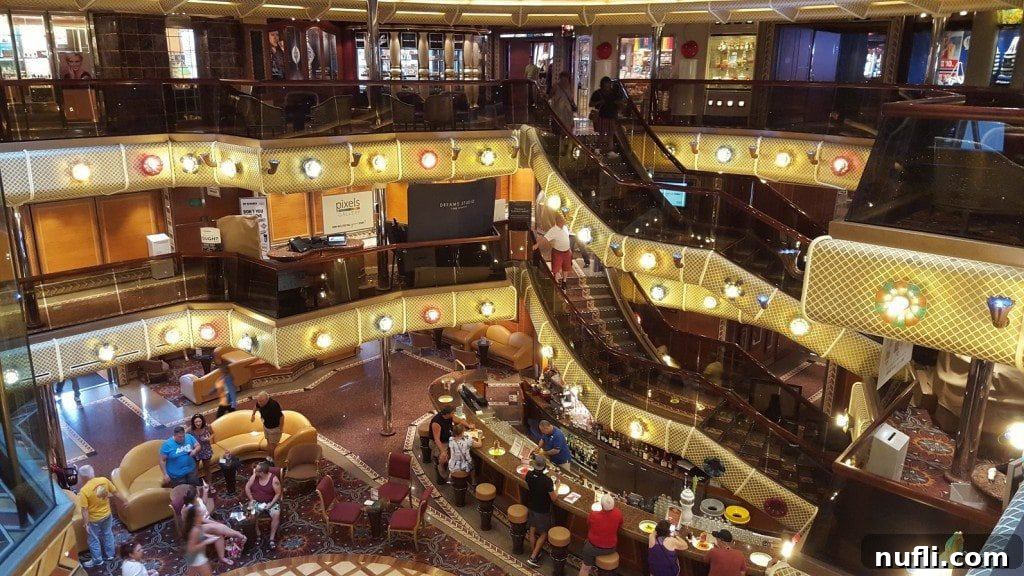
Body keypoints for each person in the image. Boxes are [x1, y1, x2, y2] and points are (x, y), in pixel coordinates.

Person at [181, 485, 245, 563]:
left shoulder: (196, 500)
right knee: (217, 528)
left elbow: (203, 504)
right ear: (196, 495)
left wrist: (205, 492)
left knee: (219, 534)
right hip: (195, 529)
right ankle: (240, 536)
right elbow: (201, 520)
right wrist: (215, 523)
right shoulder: (189, 509)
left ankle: (222, 557)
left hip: (204, 522)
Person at [78, 465, 124, 568]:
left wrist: (86, 524)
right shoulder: (103, 480)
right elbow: (115, 492)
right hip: (107, 514)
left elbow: (84, 509)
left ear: (82, 478)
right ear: (93, 473)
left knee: (93, 539)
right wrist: (125, 500)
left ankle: (98, 560)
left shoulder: (84, 491)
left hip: (94, 519)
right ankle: (110, 555)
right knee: (108, 533)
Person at [525, 455, 557, 568]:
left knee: (532, 530)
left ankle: (534, 552)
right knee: (544, 533)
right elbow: (554, 498)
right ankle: (533, 558)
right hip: (542, 510)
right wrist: (556, 486)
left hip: (531, 506)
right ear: (544, 468)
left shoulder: (528, 475)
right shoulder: (547, 481)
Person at [579, 493, 623, 576]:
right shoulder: (618, 513)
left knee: (585, 568)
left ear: (601, 506)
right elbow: (620, 525)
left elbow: (588, 523)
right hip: (610, 548)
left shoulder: (594, 514)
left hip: (592, 547)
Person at [430, 406, 474, 484]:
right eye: (452, 413)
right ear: (446, 414)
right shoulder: (436, 423)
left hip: (450, 438)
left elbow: (459, 420)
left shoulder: (450, 416)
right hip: (442, 442)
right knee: (442, 458)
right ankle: (443, 475)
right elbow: (437, 439)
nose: (453, 414)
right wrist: (443, 451)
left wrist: (468, 425)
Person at [245, 460, 283, 547]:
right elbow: (247, 487)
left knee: (276, 514)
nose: (255, 471)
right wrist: (251, 499)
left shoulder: (274, 479)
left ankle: (271, 538)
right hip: (257, 502)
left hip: (270, 502)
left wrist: (271, 504)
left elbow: (278, 493)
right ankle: (258, 534)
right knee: (251, 514)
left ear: (262, 472)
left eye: (257, 470)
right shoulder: (254, 476)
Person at [537, 214, 573, 288]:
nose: (564, 222)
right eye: (562, 220)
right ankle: (556, 282)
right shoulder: (553, 230)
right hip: (558, 252)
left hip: (567, 251)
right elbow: (545, 238)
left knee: (566, 267)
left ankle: (564, 282)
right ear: (558, 221)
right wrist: (536, 245)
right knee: (556, 268)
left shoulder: (565, 228)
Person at [183, 506, 218, 576]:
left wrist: (209, 536)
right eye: (200, 512)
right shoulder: (195, 530)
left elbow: (200, 534)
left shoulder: (198, 525)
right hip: (197, 557)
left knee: (191, 574)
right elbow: (191, 548)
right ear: (195, 517)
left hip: (194, 556)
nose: (202, 512)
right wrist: (207, 541)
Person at [589, 76, 621, 152]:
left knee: (610, 135)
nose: (607, 88)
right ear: (602, 85)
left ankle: (609, 150)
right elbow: (590, 104)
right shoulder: (598, 93)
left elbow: (619, 103)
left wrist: (618, 104)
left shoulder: (614, 93)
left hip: (611, 116)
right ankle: (600, 150)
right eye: (605, 86)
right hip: (602, 116)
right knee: (602, 134)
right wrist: (599, 102)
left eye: (608, 85)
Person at [251, 391, 284, 459]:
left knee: (273, 445)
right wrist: (253, 414)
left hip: (274, 428)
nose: (259, 403)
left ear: (267, 400)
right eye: (258, 401)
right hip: (266, 426)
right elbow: (256, 406)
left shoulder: (273, 406)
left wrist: (281, 428)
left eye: (261, 401)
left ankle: (272, 459)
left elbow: (282, 416)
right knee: (268, 443)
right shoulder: (260, 402)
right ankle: (269, 456)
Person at [189, 414, 215, 481]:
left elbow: (213, 434)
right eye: (196, 422)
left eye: (199, 421)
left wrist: (209, 439)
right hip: (196, 452)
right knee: (195, 470)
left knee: (207, 468)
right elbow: (185, 437)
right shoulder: (190, 430)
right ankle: (196, 485)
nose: (198, 423)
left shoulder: (207, 426)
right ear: (193, 423)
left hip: (206, 450)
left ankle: (210, 484)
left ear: (202, 421)